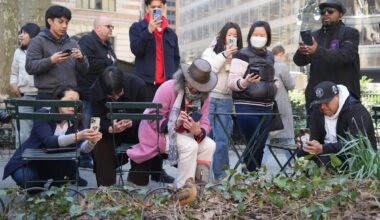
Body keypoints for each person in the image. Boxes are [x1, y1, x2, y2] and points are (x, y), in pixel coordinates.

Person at [127, 59, 217, 188]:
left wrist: (198, 131)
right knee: (190, 146)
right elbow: (152, 117)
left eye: (200, 87)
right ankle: (184, 190)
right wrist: (175, 123)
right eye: (193, 85)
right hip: (157, 133)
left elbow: (205, 121)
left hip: (186, 134)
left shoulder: (205, 96)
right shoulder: (168, 87)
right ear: (185, 79)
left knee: (209, 144)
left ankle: (200, 185)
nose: (195, 90)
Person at [2, 85, 102, 188]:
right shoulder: (43, 113)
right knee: (28, 180)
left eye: (77, 102)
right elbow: (48, 141)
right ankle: (38, 187)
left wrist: (92, 141)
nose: (73, 105)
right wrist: (77, 136)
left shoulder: (75, 119)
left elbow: (82, 148)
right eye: (70, 100)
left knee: (69, 165)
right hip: (29, 162)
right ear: (58, 100)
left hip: (56, 164)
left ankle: (53, 189)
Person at [293, 0, 361, 124]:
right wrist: (302, 51)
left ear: (340, 14)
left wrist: (317, 50)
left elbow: (346, 55)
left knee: (344, 137)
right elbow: (299, 62)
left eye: (330, 11)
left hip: (341, 97)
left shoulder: (350, 33)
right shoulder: (314, 36)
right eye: (322, 11)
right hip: (318, 98)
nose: (326, 14)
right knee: (316, 136)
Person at [228, 21, 277, 172]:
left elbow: (269, 77)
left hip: (267, 107)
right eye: (256, 34)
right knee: (252, 144)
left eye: (262, 35)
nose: (258, 37)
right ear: (250, 36)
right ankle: (248, 176)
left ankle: (253, 177)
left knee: (261, 145)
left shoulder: (270, 55)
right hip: (247, 107)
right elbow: (231, 82)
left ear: (267, 37)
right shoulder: (242, 55)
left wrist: (274, 83)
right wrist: (246, 81)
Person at [89, 66, 151, 186]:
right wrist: (110, 128)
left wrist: (133, 120)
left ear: (123, 84)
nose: (116, 98)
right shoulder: (95, 90)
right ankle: (106, 184)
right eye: (111, 96)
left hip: (136, 129)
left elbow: (147, 115)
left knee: (148, 137)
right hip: (110, 131)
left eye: (118, 93)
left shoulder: (137, 85)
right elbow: (96, 120)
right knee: (98, 139)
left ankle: (137, 181)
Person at [297, 81, 377, 165]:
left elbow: (354, 145)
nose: (322, 106)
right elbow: (315, 136)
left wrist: (323, 148)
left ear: (337, 97)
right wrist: (307, 143)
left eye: (326, 102)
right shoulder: (317, 111)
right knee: (302, 155)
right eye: (319, 103)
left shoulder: (357, 111)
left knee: (326, 161)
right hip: (327, 153)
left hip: (356, 158)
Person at [201, 22, 243, 181]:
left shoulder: (239, 55)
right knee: (204, 138)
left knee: (222, 141)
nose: (232, 38)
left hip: (226, 100)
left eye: (235, 36)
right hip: (210, 98)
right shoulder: (211, 51)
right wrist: (224, 55)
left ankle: (220, 176)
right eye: (229, 35)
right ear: (223, 35)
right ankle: (201, 176)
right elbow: (208, 69)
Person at [25, 5, 89, 100]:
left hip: (70, 95)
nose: (64, 26)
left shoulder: (72, 43)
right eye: (60, 22)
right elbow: (30, 67)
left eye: (66, 23)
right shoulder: (37, 41)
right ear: (50, 21)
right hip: (47, 95)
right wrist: (51, 61)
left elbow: (84, 71)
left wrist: (81, 59)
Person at [77, 16, 117, 170]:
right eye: (108, 26)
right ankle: (85, 159)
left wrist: (109, 62)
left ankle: (100, 159)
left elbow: (115, 62)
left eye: (111, 26)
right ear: (98, 27)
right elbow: (89, 65)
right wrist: (107, 62)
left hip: (103, 93)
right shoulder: (87, 41)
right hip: (88, 92)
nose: (110, 29)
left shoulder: (107, 44)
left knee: (100, 126)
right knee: (88, 126)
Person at [129, 0, 180, 101]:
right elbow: (136, 50)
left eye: (159, 7)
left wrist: (172, 77)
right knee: (145, 116)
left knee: (164, 116)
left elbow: (176, 58)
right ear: (147, 8)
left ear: (164, 8)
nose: (156, 10)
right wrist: (148, 31)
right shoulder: (136, 28)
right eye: (153, 7)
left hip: (166, 86)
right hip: (145, 85)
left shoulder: (171, 33)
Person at [9, 23, 40, 146]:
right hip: (24, 96)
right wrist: (13, 83)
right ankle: (20, 162)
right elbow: (14, 73)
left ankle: (39, 162)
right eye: (20, 33)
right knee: (23, 133)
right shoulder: (18, 52)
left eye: (24, 33)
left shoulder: (42, 50)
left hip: (42, 96)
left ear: (33, 35)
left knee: (41, 131)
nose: (21, 36)